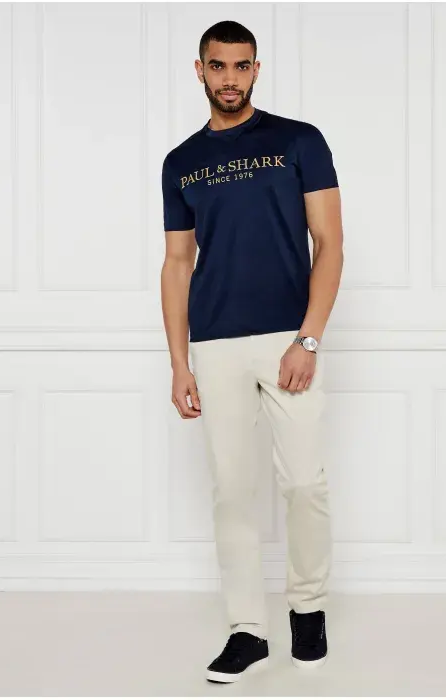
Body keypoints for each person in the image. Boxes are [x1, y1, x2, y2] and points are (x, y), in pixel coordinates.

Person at [160, 19, 343, 684]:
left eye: (242, 66)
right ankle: (247, 630)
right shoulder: (181, 162)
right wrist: (180, 362)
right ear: (200, 70)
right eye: (219, 66)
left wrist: (308, 337)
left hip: (288, 337)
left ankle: (308, 608)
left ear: (256, 70)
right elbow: (177, 263)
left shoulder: (298, 140)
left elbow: (330, 243)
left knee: (304, 483)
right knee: (233, 492)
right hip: (214, 342)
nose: (230, 78)